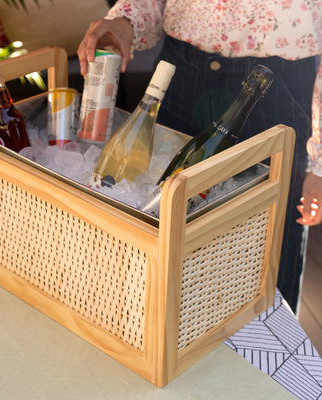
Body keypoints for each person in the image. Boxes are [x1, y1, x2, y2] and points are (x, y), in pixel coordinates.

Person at [77, 1, 322, 312]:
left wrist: (320, 164)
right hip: (180, 80)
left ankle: (255, 359)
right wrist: (125, 22)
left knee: (266, 261)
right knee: (152, 234)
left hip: (275, 94)